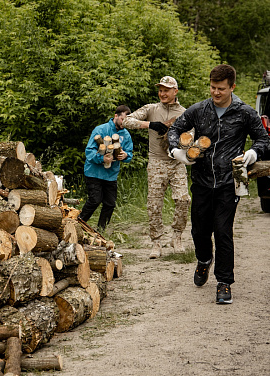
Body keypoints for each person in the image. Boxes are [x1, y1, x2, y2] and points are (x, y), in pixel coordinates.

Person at [168, 64, 268, 304]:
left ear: (232, 87)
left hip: (229, 183)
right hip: (201, 181)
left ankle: (224, 283)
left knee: (223, 232)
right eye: (212, 87)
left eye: (221, 89)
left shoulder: (244, 112)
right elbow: (175, 130)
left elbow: (263, 139)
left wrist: (253, 154)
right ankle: (203, 260)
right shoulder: (199, 110)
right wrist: (176, 152)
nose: (216, 92)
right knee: (199, 230)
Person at [123, 76, 189, 258]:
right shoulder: (151, 109)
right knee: (154, 204)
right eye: (160, 90)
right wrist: (150, 124)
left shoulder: (185, 112)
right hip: (156, 162)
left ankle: (177, 237)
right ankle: (156, 242)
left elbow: (192, 135)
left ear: (175, 91)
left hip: (176, 163)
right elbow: (126, 121)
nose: (162, 93)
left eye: (166, 90)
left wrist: (183, 143)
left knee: (183, 200)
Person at [79, 105, 133, 232]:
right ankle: (78, 225)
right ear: (116, 116)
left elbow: (129, 154)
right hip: (94, 172)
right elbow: (89, 151)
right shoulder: (101, 129)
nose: (124, 123)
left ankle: (101, 231)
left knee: (110, 204)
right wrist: (102, 159)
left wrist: (125, 155)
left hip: (111, 174)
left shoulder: (126, 134)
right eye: (123, 120)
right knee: (94, 200)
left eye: (127, 121)